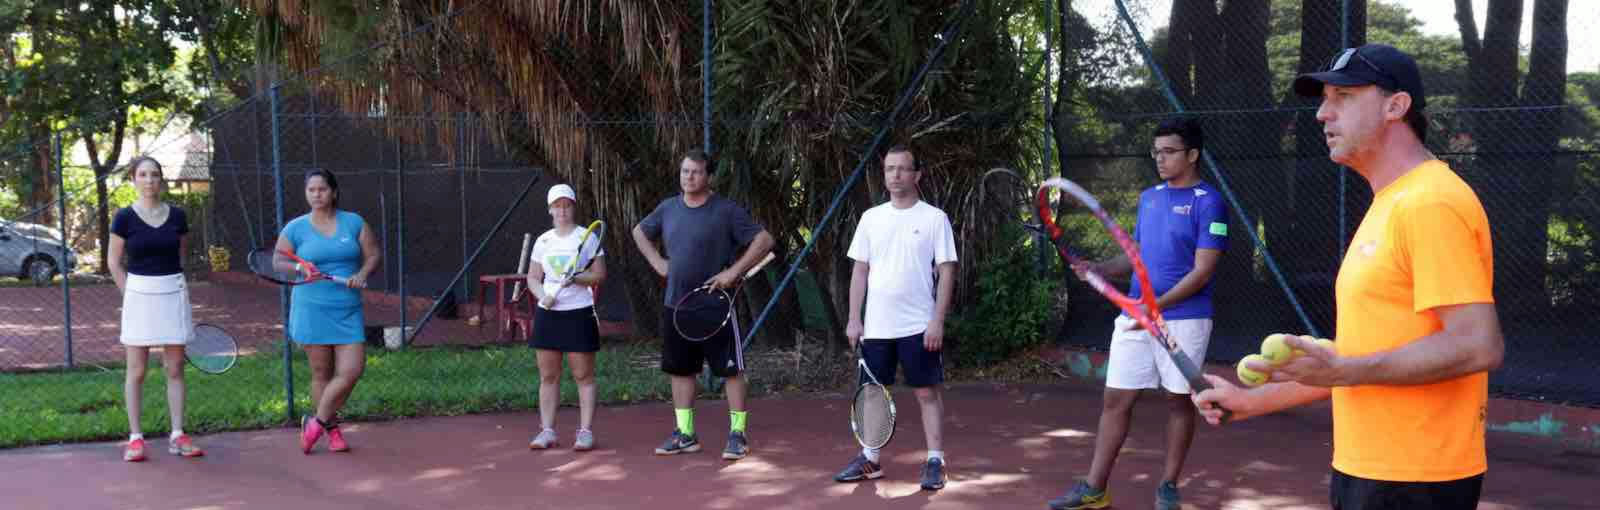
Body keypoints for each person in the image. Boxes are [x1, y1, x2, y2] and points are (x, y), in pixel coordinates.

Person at [1192, 44, 1503, 510]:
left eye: (1343, 97)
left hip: (1415, 482)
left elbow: (1478, 344)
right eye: (1324, 99)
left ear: (1396, 106)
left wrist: (1346, 368)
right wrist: (1253, 401)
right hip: (1371, 470)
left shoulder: (1430, 202)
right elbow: (1364, 358)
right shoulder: (1391, 202)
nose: (1322, 114)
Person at [1049, 117, 1229, 510]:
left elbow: (1203, 271)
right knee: (1116, 399)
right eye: (1156, 152)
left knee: (1178, 402)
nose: (1160, 159)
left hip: (1185, 319)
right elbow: (1136, 255)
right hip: (1135, 317)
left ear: (1193, 154)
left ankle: (1167, 485)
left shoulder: (1209, 202)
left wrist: (1155, 307)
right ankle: (1095, 488)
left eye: (1169, 152)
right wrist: (1099, 269)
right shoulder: (1150, 198)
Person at [632, 150, 774, 460]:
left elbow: (764, 240)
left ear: (708, 177)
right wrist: (658, 262)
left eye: (696, 172)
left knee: (731, 371)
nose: (689, 177)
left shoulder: (726, 211)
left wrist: (733, 272)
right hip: (676, 306)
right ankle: (685, 434)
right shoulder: (668, 208)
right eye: (685, 171)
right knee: (681, 371)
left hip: (716, 306)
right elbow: (639, 232)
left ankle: (738, 434)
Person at [831, 144, 958, 491]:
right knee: (872, 394)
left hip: (919, 325)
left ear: (917, 175)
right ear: (884, 174)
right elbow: (859, 272)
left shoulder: (934, 219)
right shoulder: (872, 218)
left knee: (926, 393)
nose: (896, 175)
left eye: (903, 169)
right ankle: (870, 459)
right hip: (876, 328)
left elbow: (947, 272)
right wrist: (854, 319)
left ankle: (935, 460)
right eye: (890, 169)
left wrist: (937, 320)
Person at [274, 169, 382, 454]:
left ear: (333, 192)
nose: (317, 195)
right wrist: (299, 266)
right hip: (311, 308)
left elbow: (372, 255)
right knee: (322, 373)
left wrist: (361, 273)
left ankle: (316, 421)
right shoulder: (295, 228)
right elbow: (277, 261)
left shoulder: (354, 222)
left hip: (347, 308)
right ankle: (332, 431)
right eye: (311, 190)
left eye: (322, 189)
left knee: (352, 371)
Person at [108, 156, 205, 462]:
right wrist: (131, 294)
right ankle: (136, 439)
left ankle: (178, 435)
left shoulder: (177, 216)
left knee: (175, 368)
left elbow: (181, 255)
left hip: (172, 292)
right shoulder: (123, 217)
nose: (149, 180)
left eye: (154, 175)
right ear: (134, 180)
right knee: (136, 371)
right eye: (143, 174)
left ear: (161, 180)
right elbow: (113, 262)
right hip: (139, 294)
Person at [525, 184, 607, 451]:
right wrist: (541, 296)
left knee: (583, 375)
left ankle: (585, 432)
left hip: (579, 313)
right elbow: (533, 278)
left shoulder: (587, 237)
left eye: (567, 205)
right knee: (548, 376)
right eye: (557, 206)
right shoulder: (543, 241)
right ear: (550, 209)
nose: (562, 210)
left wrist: (579, 278)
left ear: (573, 207)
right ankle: (547, 431)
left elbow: (598, 275)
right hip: (549, 315)